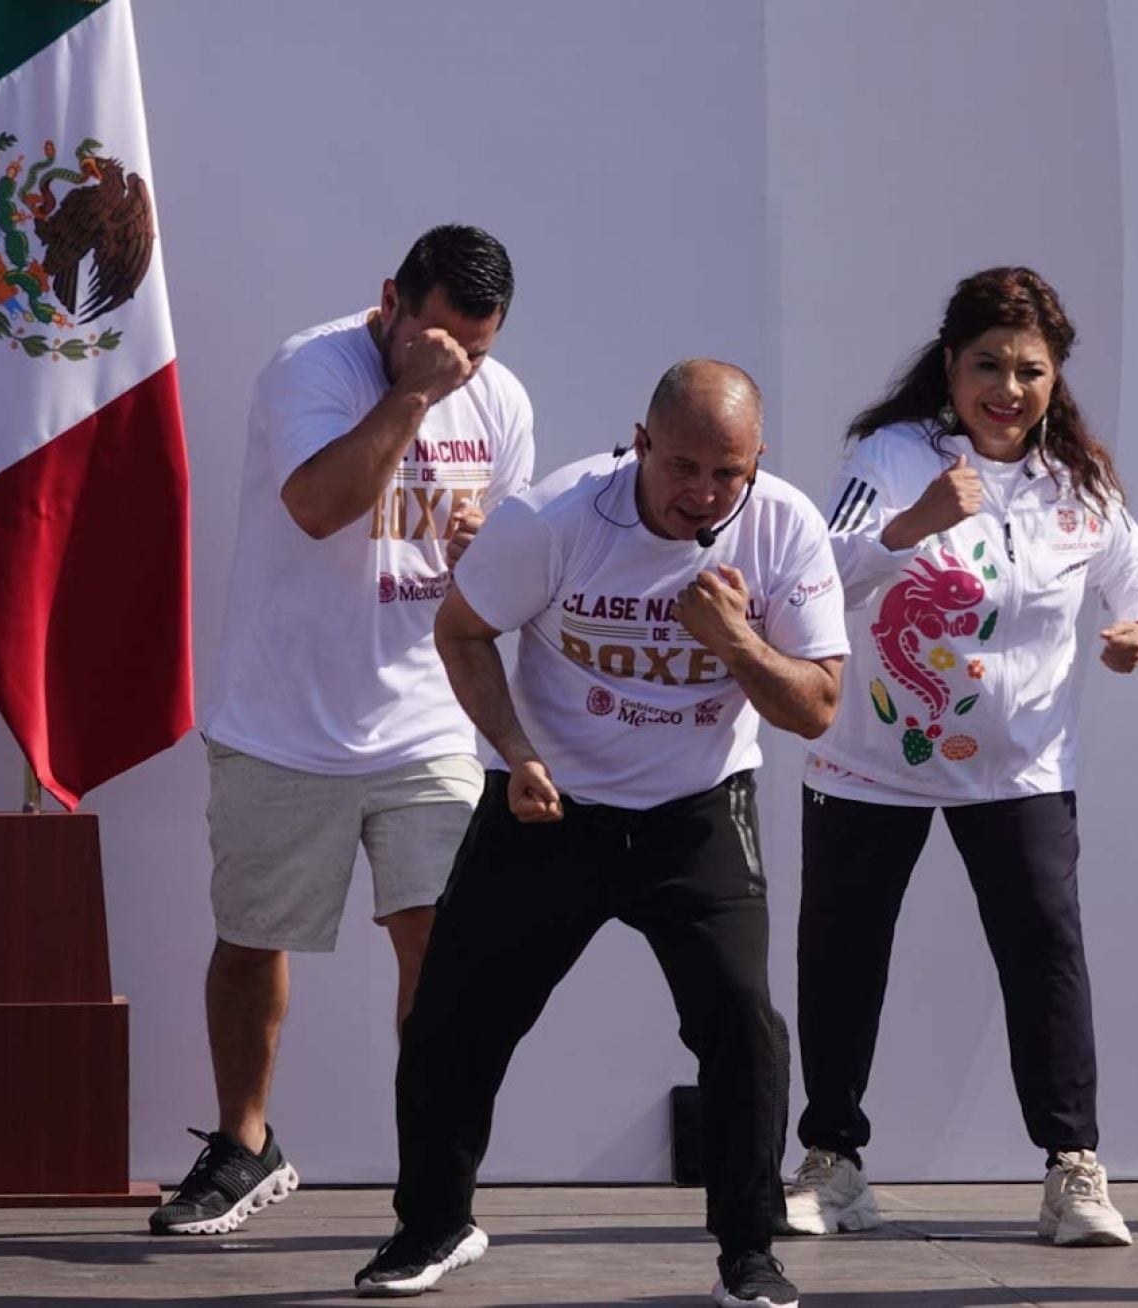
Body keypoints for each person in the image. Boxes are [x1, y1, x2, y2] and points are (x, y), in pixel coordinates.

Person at [354, 360, 846, 1308]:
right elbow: (461, 629)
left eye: (728, 473)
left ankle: (749, 1251)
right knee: (453, 1012)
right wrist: (515, 750)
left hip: (697, 809)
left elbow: (816, 708)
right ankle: (431, 1225)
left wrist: (737, 641)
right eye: (683, 467)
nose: (702, 493)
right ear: (641, 443)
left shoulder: (785, 526)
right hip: (551, 803)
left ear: (758, 461)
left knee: (742, 1020)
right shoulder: (556, 517)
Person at [782, 267, 1138, 1247]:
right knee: (843, 957)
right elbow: (818, 577)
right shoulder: (892, 455)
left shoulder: (1077, 477)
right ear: (951, 364)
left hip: (1021, 767)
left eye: (1029, 371)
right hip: (872, 761)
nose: (1008, 389)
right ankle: (832, 1162)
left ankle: (1073, 1169)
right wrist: (913, 526)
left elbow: (1137, 570)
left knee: (1046, 956)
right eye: (988, 366)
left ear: (1056, 376)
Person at [151, 225, 534, 1236]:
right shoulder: (310, 370)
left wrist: (487, 555)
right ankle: (245, 1145)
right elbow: (320, 506)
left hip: (426, 722)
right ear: (390, 300)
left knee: (440, 946)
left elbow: (501, 572)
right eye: (438, 339)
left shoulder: (503, 400)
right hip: (283, 718)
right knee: (252, 941)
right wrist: (414, 396)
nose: (458, 365)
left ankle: (432, 1179)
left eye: (477, 350)